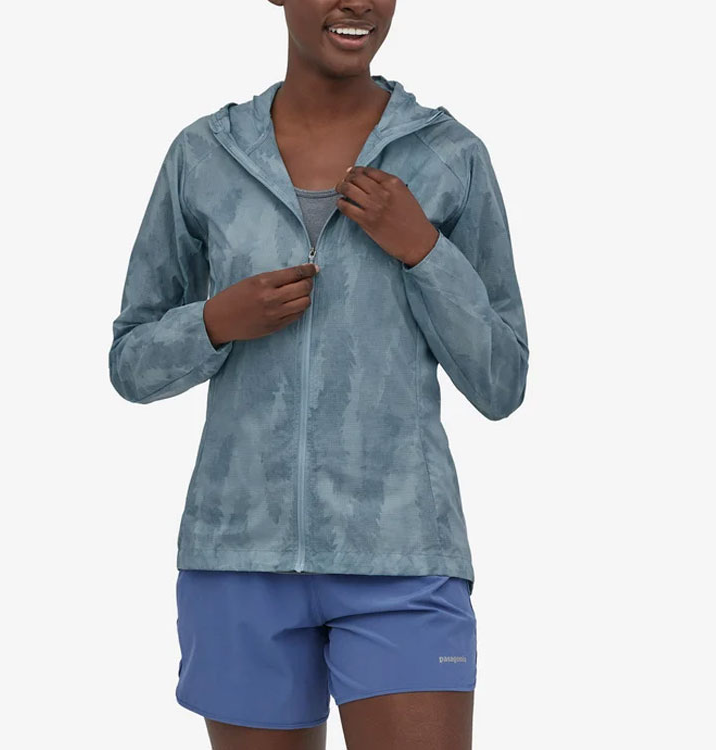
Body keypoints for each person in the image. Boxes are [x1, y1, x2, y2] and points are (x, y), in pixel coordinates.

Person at [109, 1, 529, 747]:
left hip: (403, 557)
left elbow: (502, 381)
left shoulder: (449, 155)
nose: (358, 1)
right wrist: (215, 321)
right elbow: (131, 363)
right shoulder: (204, 154)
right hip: (237, 556)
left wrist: (423, 250)